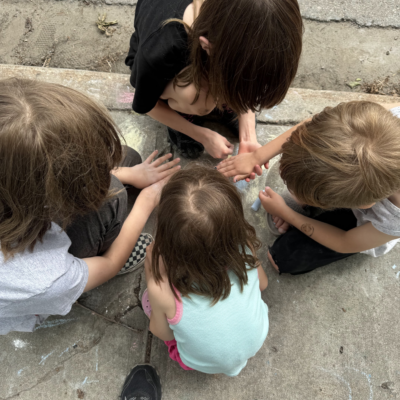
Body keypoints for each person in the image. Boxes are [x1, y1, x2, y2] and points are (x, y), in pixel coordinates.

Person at [0, 78, 180, 335]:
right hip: (39, 286)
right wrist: (146, 201)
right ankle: (102, 241)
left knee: (127, 158)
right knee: (114, 197)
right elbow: (108, 266)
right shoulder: (47, 279)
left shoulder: (14, 183)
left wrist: (129, 173)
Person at [126, 0, 303, 160]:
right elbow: (148, 106)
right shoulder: (159, 49)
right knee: (196, 97)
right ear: (207, 47)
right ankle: (185, 116)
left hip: (213, 56)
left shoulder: (229, 29)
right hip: (169, 72)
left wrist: (248, 136)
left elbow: (247, 65)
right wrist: (202, 135)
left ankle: (225, 101)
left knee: (220, 89)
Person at [143, 165, 269, 376]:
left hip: (199, 362)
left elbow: (161, 332)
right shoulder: (245, 247)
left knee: (151, 303)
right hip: (255, 339)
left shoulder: (164, 291)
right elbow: (262, 284)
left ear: (167, 240)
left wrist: (154, 277)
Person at [257, 101, 400, 274]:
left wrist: (286, 213)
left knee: (282, 258)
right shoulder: (383, 119)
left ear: (363, 204)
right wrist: (258, 155)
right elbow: (313, 126)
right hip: (367, 187)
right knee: (313, 173)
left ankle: (314, 194)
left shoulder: (394, 220)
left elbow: (344, 242)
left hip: (373, 224)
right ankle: (312, 190)